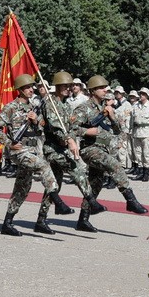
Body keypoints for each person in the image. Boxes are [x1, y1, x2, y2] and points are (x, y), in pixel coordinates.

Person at [0, 73, 72, 236]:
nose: (31, 90)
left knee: (22, 187)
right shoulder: (11, 107)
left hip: (33, 149)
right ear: (20, 89)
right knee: (43, 166)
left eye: (31, 87)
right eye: (27, 87)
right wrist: (9, 143)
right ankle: (57, 201)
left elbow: (41, 129)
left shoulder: (33, 108)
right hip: (19, 151)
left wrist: (35, 121)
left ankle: (7, 223)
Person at [69, 76, 148, 214]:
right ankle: (130, 200)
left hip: (104, 148)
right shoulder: (83, 108)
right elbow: (70, 129)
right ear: (92, 91)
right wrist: (86, 131)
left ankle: (83, 218)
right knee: (114, 165)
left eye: (105, 87)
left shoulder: (106, 108)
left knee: (96, 184)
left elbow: (118, 131)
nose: (105, 90)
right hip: (90, 149)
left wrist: (112, 118)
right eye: (101, 88)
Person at [39, 71, 104, 232]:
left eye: (70, 86)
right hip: (52, 148)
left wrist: (73, 137)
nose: (69, 89)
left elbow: (71, 127)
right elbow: (55, 127)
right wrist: (68, 140)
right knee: (76, 169)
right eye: (65, 86)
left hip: (63, 148)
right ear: (57, 86)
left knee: (55, 185)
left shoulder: (66, 105)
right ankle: (91, 201)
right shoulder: (50, 103)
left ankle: (41, 220)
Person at [130, 87, 149, 182]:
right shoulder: (135, 106)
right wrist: (131, 131)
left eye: (143, 94)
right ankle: (140, 172)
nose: (141, 95)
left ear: (147, 96)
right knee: (138, 153)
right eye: (140, 94)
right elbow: (132, 120)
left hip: (146, 132)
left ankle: (146, 173)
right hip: (137, 132)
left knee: (146, 153)